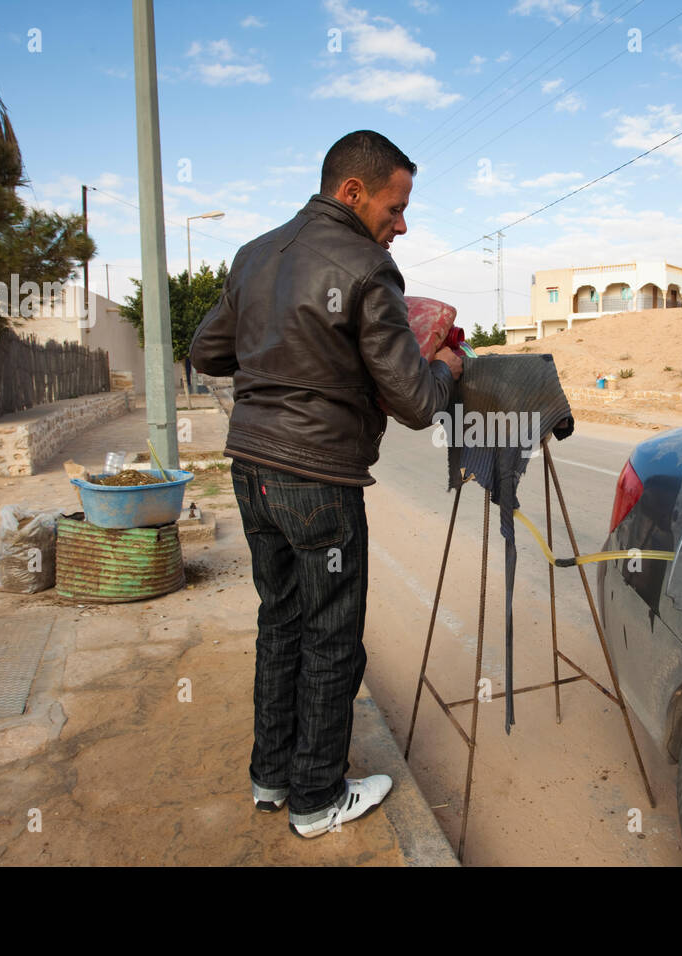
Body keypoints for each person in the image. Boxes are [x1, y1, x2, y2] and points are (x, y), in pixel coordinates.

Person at [189, 130, 463, 839]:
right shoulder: (370, 269)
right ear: (353, 192)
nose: (401, 224)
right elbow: (416, 402)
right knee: (333, 637)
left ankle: (271, 776)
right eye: (395, 207)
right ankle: (316, 798)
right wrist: (450, 369)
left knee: (280, 621)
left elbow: (207, 350)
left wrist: (278, 352)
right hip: (317, 480)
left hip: (250, 470)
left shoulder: (256, 255)